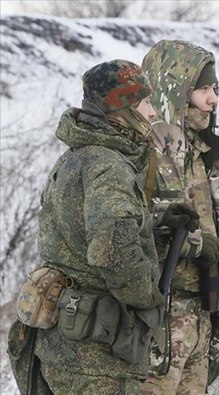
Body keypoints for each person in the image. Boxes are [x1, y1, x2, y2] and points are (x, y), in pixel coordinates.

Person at [18, 60, 198, 394]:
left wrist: (153, 226)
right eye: (144, 102)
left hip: (65, 346)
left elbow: (83, 236)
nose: (151, 110)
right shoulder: (109, 166)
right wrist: (149, 300)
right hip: (96, 359)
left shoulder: (77, 156)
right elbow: (111, 250)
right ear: (122, 109)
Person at [140, 40, 219, 394]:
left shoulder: (199, 153)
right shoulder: (144, 151)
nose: (213, 98)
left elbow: (207, 217)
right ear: (175, 90)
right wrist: (199, 246)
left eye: (215, 88)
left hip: (200, 310)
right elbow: (136, 226)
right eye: (203, 88)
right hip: (157, 318)